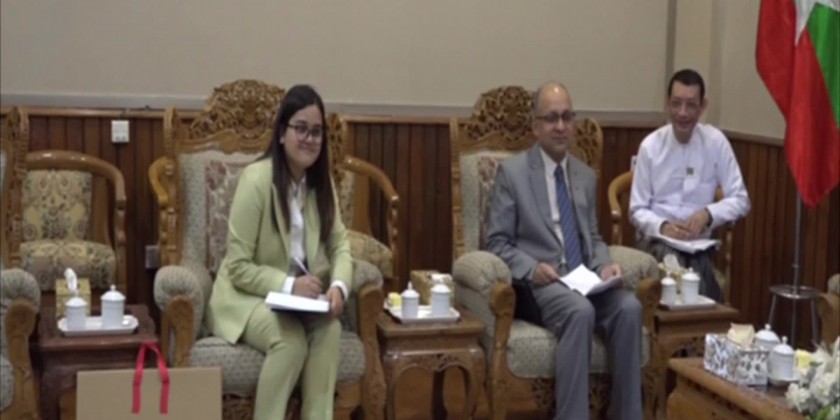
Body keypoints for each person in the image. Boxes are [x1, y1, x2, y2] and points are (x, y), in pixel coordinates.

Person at [485, 82, 642, 420]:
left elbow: (593, 236)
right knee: (579, 311)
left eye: (567, 117)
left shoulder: (584, 175)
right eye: (552, 118)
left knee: (629, 307)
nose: (561, 126)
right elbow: (496, 242)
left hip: (584, 280)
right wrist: (531, 268)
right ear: (535, 126)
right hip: (541, 284)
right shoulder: (513, 174)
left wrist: (605, 265)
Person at [206, 84, 352, 420]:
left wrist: (338, 287)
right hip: (247, 297)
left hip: (300, 302)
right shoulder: (256, 181)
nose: (309, 139)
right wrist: (289, 285)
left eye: (316, 132)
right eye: (301, 128)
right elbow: (238, 267)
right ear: (283, 133)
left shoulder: (321, 185)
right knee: (291, 342)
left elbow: (340, 244)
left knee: (329, 330)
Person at [630, 69, 750, 303]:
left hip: (698, 245)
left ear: (702, 107)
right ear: (668, 104)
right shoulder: (650, 146)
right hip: (658, 241)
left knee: (693, 268)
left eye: (691, 105)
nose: (682, 113)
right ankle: (700, 321)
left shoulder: (716, 143)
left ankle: (702, 323)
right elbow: (636, 210)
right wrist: (663, 226)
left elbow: (741, 200)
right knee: (683, 270)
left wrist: (708, 214)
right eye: (676, 104)